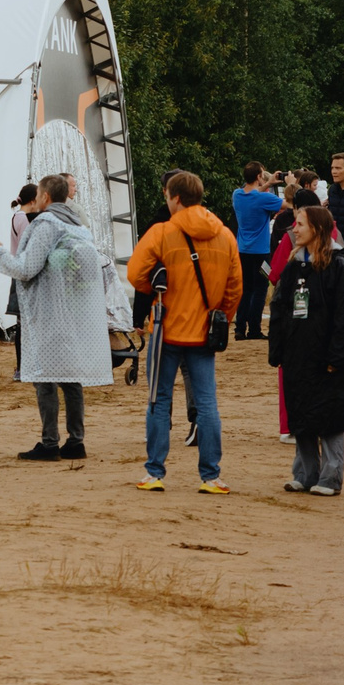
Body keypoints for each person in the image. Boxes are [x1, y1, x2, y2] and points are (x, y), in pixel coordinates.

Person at [125, 171, 241, 495]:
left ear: (173, 197)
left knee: (159, 400)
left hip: (167, 328)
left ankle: (154, 472)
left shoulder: (162, 232)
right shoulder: (225, 236)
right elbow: (235, 287)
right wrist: (222, 318)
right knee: (207, 403)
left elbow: (135, 273)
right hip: (204, 332)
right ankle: (211, 475)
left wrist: (155, 288)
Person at [0, 172, 110, 461]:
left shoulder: (46, 224)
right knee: (71, 377)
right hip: (72, 310)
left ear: (44, 197)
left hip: (49, 312)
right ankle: (76, 441)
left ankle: (49, 442)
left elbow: (27, 268)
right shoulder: (79, 227)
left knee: (45, 376)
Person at [268, 206, 344, 495]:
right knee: (302, 414)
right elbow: (279, 311)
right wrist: (278, 351)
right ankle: (305, 473)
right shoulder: (293, 268)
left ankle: (330, 477)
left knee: (331, 416)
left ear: (318, 229)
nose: (294, 229)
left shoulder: (340, 268)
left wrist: (338, 357)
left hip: (328, 359)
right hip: (298, 356)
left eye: (300, 224)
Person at [231, 163, 282, 341]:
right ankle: (254, 329)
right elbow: (287, 204)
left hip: (242, 250)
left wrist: (268, 183)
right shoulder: (263, 199)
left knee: (245, 288)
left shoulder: (236, 195)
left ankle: (239, 328)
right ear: (259, 177)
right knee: (261, 289)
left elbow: (252, 194)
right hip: (261, 252)